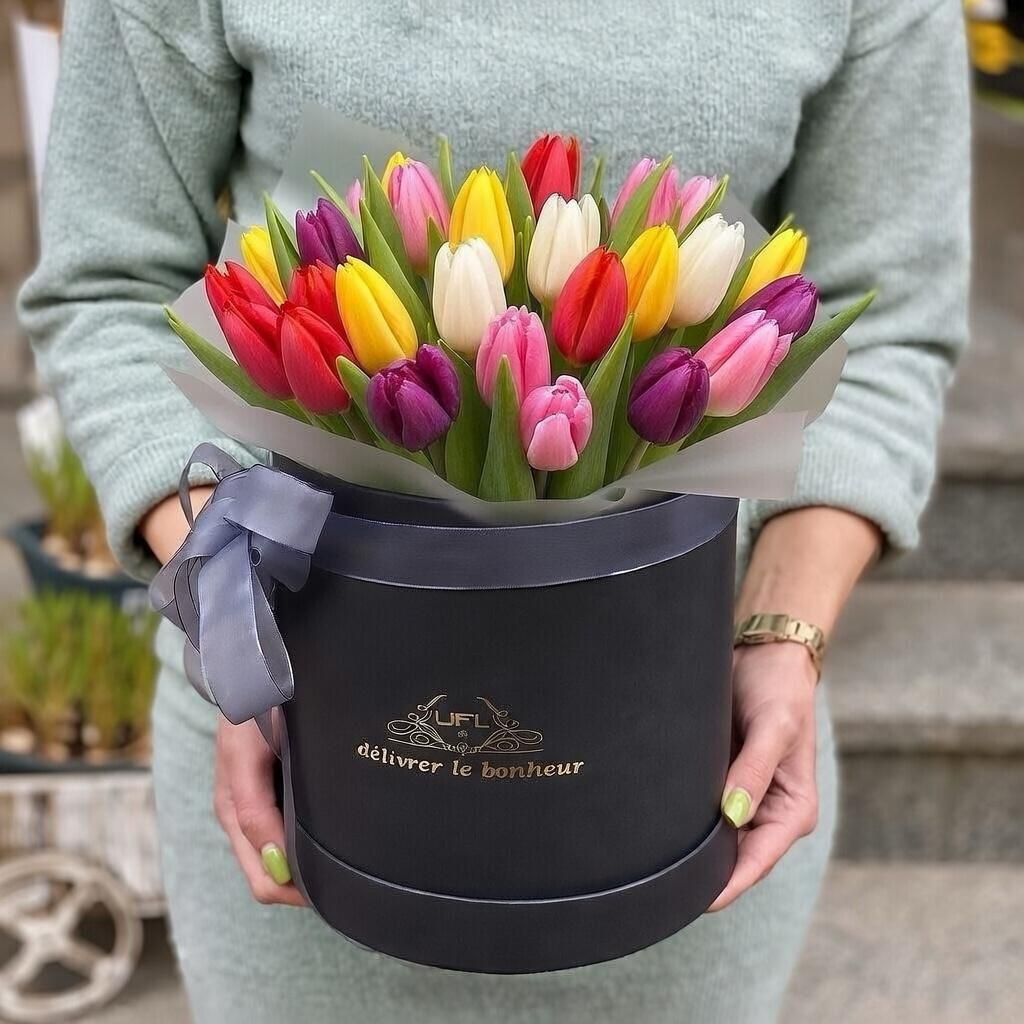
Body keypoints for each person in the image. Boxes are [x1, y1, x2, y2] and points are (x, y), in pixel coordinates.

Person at [19, 1, 970, 1021]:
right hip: (299, 728)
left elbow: (886, 327)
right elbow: (111, 282)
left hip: (675, 745)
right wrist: (229, 613)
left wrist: (781, 632)